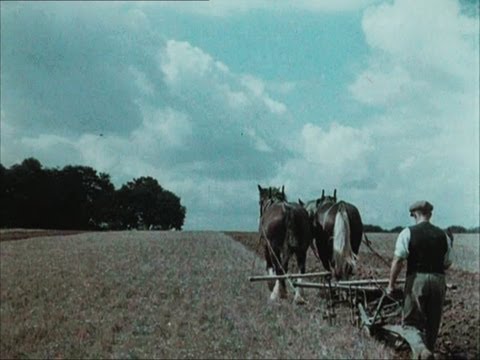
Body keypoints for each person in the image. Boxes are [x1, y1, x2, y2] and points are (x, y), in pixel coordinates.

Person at [387, 200, 453, 358]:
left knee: (411, 324)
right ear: (430, 214)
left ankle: (421, 351)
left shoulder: (407, 233)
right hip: (438, 281)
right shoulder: (443, 235)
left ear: (414, 215)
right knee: (433, 322)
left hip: (417, 280)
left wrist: (391, 285)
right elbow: (447, 263)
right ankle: (429, 349)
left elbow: (398, 261)